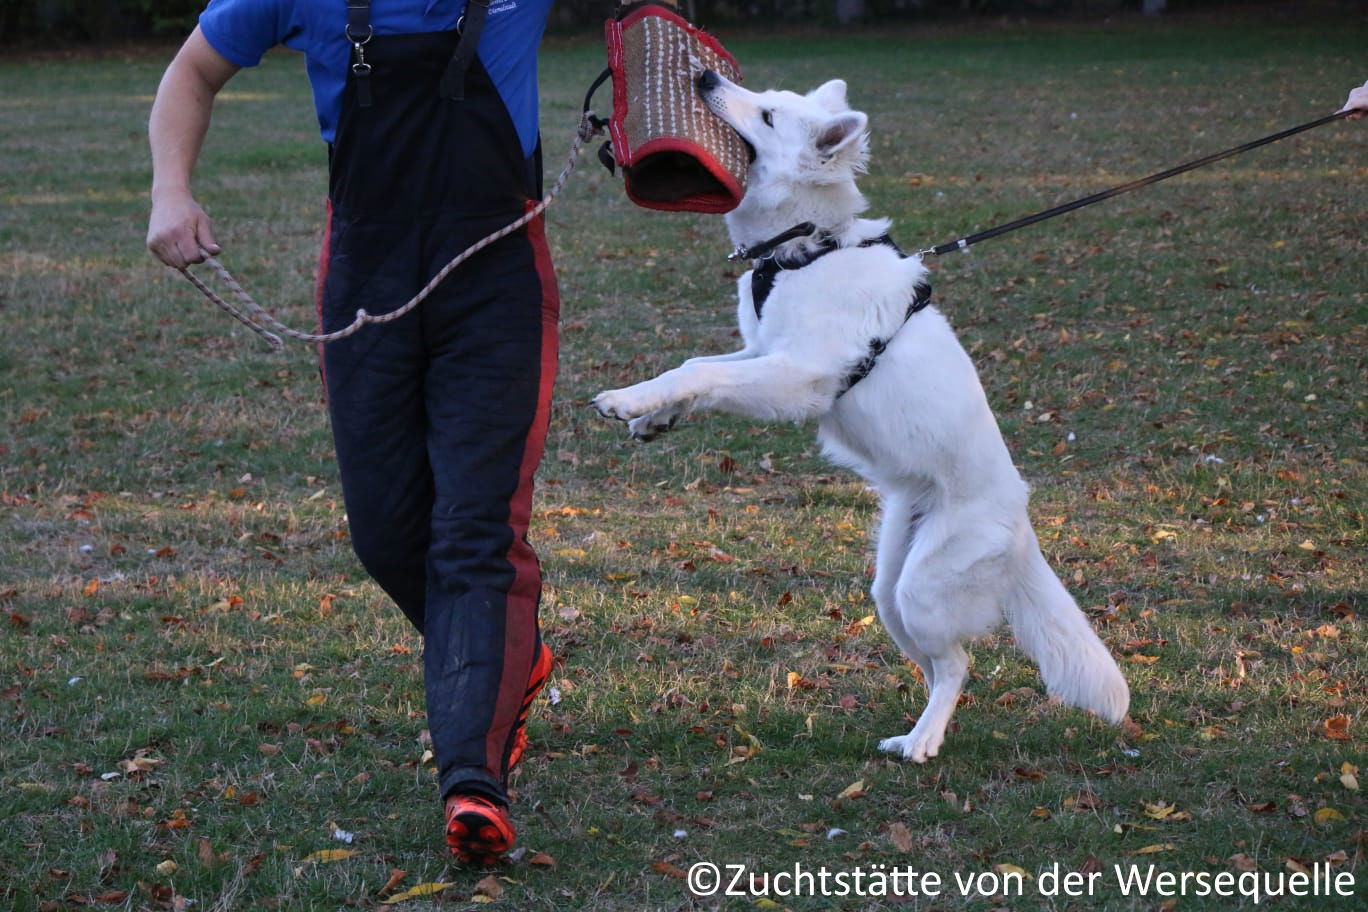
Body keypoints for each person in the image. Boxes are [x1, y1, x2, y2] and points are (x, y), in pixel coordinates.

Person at [146, 0, 558, 865]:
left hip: (499, 281)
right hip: (365, 273)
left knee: (474, 531)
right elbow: (191, 72)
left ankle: (473, 784)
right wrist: (170, 191)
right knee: (384, 532)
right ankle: (508, 654)